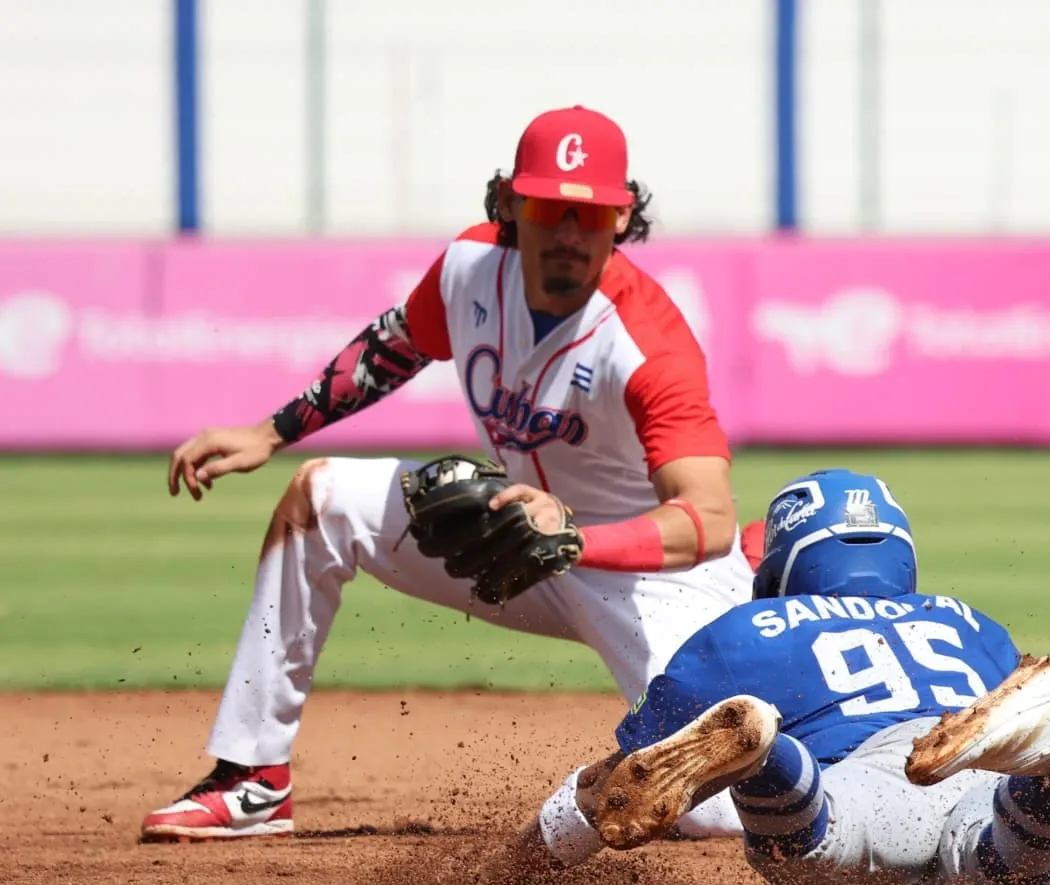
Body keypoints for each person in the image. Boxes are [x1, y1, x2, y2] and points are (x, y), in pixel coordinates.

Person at [141, 105, 756, 842]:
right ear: (508, 205)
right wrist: (271, 433)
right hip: (518, 531)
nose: (567, 233)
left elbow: (707, 519)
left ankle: (767, 599)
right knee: (323, 498)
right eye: (549, 208)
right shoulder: (469, 269)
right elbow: (392, 347)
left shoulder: (648, 343)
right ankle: (251, 778)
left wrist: (570, 542)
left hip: (651, 578)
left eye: (589, 216)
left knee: (720, 810)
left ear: (622, 221)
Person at [495, 469, 1050, 885]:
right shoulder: (968, 622)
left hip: (869, 777)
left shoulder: (751, 630)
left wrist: (514, 870)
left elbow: (617, 786)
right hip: (971, 766)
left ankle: (766, 757)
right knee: (1017, 871)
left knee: (818, 843)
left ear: (785, 561)